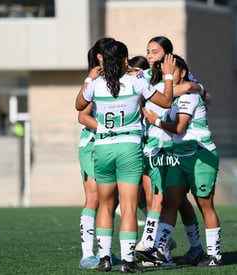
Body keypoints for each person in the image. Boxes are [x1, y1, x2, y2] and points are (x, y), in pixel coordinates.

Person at [75, 40, 175, 273]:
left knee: (105, 206)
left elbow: (79, 104)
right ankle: (128, 261)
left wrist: (89, 78)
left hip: (103, 148)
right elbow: (166, 100)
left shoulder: (97, 84)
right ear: (125, 60)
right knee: (129, 207)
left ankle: (104, 258)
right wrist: (168, 76)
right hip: (128, 147)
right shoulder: (136, 81)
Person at [139, 54, 223, 267]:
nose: (168, 74)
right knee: (171, 201)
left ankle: (214, 255)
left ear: (183, 72)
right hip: (179, 157)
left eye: (172, 71)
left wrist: (156, 121)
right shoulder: (173, 94)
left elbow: (179, 128)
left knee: (205, 205)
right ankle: (158, 250)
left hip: (200, 155)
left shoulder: (189, 94)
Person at [78, 37, 118, 269]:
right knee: (94, 198)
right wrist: (106, 128)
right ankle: (87, 254)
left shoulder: (125, 77)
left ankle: (106, 253)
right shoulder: (93, 79)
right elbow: (81, 114)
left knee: (110, 200)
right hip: (92, 144)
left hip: (118, 145)